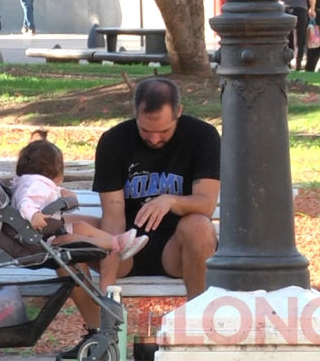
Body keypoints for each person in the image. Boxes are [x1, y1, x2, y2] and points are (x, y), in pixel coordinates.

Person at [56, 78, 220, 360]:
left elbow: (205, 204)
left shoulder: (202, 136)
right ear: (135, 115)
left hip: (177, 250)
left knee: (200, 226)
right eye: (146, 130)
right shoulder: (114, 141)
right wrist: (109, 274)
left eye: (164, 131)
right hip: (127, 244)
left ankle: (197, 331)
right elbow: (113, 217)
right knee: (62, 241)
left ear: (179, 112)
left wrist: (170, 200)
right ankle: (100, 337)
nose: (154, 139)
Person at [11, 131, 148, 259]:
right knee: (73, 239)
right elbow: (26, 201)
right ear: (56, 168)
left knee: (81, 226)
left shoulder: (34, 183)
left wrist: (62, 193)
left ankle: (118, 241)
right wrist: (33, 215)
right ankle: (116, 245)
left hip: (47, 233)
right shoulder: (36, 184)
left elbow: (42, 196)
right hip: (37, 238)